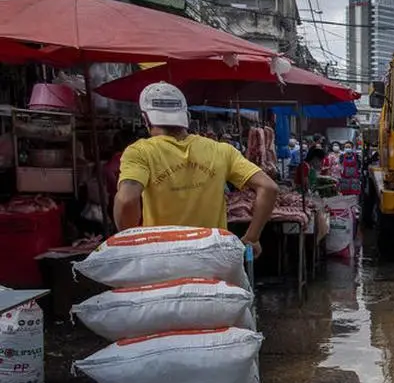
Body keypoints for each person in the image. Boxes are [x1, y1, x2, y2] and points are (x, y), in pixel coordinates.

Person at [113, 82, 278, 257]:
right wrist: (252, 238)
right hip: (215, 257)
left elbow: (126, 200)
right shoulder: (221, 150)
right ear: (186, 116)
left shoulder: (140, 152)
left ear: (145, 119)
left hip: (163, 258)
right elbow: (269, 187)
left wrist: (131, 242)